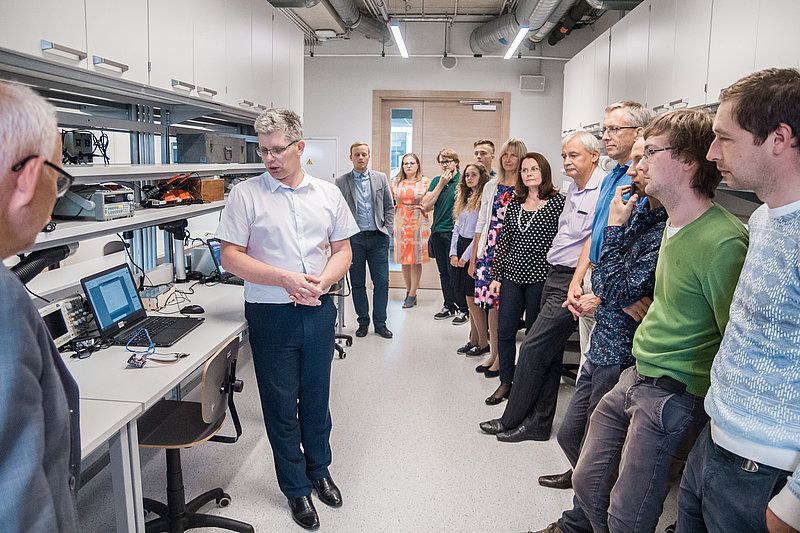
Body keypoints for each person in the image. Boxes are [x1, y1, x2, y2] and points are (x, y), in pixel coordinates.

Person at [535, 109, 749, 533]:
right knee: (589, 478)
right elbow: (621, 285)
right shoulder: (670, 222)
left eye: (650, 152)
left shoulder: (724, 240)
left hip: (674, 389)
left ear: (688, 161)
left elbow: (734, 339)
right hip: (638, 370)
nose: (638, 165)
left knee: (627, 513)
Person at [217, 108, 358, 530]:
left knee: (316, 399)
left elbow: (342, 251)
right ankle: (296, 488)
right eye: (263, 151)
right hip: (270, 314)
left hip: (318, 310)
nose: (270, 159)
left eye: (278, 150)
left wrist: (322, 284)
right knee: (280, 406)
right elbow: (230, 257)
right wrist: (283, 279)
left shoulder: (328, 194)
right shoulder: (245, 195)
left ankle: (320, 470)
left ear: (300, 147)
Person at [676, 68, 800, 533]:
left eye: (724, 139)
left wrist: (794, 503)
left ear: (778, 138)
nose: (711, 153)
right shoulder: (765, 218)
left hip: (764, 467)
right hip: (718, 435)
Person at [538, 137, 666, 493]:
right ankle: (586, 487)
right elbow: (612, 275)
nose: (635, 168)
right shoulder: (636, 207)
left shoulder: (661, 225)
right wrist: (604, 294)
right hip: (603, 340)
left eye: (644, 158)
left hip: (622, 350)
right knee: (571, 434)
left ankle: (587, 508)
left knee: (600, 445)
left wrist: (610, 288)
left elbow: (618, 281)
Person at [479, 131, 605, 441]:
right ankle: (538, 423)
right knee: (548, 352)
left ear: (593, 156)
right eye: (565, 155)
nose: (567, 161)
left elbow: (592, 240)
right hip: (553, 274)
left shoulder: (599, 191)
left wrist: (578, 281)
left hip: (566, 278)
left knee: (533, 347)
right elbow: (507, 240)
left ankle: (512, 419)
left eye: (573, 155)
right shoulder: (576, 190)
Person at [0, 81, 80, 532]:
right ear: (31, 176)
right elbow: (16, 496)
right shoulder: (3, 298)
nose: (58, 196)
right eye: (60, 177)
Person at [564, 101, 650, 361]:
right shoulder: (611, 177)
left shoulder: (641, 182)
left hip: (619, 287)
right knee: (586, 364)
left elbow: (637, 244)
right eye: (604, 129)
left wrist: (618, 295)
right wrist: (577, 280)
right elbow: (597, 232)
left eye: (614, 129)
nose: (605, 136)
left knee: (603, 375)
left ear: (639, 132)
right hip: (596, 277)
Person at [485, 152, 564, 405]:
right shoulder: (515, 203)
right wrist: (496, 276)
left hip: (540, 278)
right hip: (512, 276)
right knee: (505, 331)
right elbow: (504, 242)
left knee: (532, 335)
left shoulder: (558, 203)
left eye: (534, 169)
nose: (529, 173)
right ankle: (506, 382)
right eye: (525, 170)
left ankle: (528, 386)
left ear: (544, 172)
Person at [470, 138, 527, 371]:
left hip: (512, 252)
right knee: (491, 305)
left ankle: (505, 359)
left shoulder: (526, 186)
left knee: (506, 306)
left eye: (513, 155)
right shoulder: (491, 185)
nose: (508, 159)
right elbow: (482, 221)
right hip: (490, 250)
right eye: (505, 155)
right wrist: (474, 257)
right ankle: (494, 354)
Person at [335, 142, 394, 339]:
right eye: (357, 155)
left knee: (382, 282)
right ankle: (363, 322)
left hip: (378, 237)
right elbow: (339, 211)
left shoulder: (381, 178)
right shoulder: (342, 181)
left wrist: (388, 230)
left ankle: (380, 323)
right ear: (351, 157)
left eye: (364, 154)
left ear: (369, 157)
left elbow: (389, 206)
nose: (361, 157)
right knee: (358, 282)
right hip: (355, 240)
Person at [450, 162, 492, 356]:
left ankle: (483, 343)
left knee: (474, 301)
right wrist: (453, 253)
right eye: (467, 175)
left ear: (482, 177)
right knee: (468, 301)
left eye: (473, 175)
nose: (469, 178)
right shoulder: (464, 198)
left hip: (473, 251)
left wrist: (466, 257)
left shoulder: (485, 198)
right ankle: (473, 339)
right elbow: (457, 227)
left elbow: (480, 231)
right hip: (461, 249)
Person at [422, 148, 465, 323]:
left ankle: (463, 308)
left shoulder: (463, 180)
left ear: (456, 162)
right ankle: (449, 306)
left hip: (455, 233)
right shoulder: (436, 182)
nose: (445, 165)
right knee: (443, 272)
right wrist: (440, 184)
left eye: (448, 161)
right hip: (438, 231)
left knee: (454, 271)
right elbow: (426, 205)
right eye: (442, 162)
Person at [391, 153, 430, 308]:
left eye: (412, 163)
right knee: (404, 260)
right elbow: (391, 201)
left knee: (415, 259)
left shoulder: (425, 182)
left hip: (418, 221)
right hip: (400, 221)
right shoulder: (396, 182)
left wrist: (427, 208)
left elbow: (431, 201)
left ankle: (413, 293)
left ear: (417, 164)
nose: (408, 166)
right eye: (405, 163)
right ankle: (409, 292)